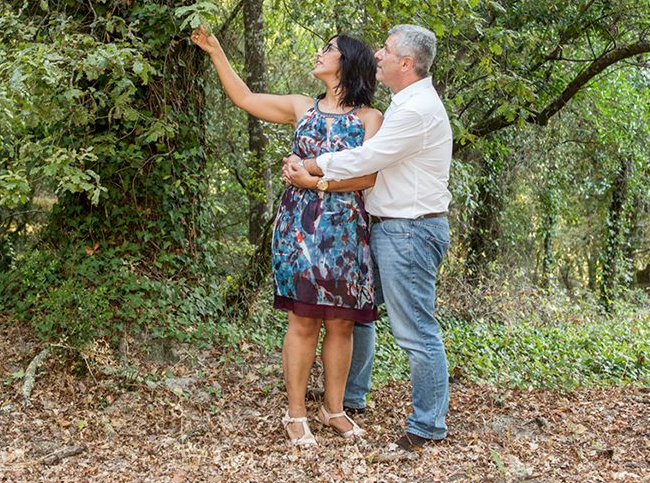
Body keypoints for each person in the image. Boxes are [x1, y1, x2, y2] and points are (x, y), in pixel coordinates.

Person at [191, 24, 383, 447]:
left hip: (347, 228)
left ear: (346, 63)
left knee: (342, 324)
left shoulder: (370, 118)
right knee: (303, 320)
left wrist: (312, 178)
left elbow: (368, 175)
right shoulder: (302, 106)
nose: (320, 53)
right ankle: (295, 414)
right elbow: (244, 98)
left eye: (328, 49)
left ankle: (333, 410)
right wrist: (217, 51)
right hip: (299, 227)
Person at [283, 24, 453, 451]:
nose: (379, 55)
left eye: (387, 50)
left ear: (406, 63)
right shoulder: (404, 103)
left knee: (415, 330)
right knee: (356, 313)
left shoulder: (414, 110)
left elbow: (369, 158)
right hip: (385, 227)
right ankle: (345, 402)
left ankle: (427, 426)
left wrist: (312, 171)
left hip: (409, 230)